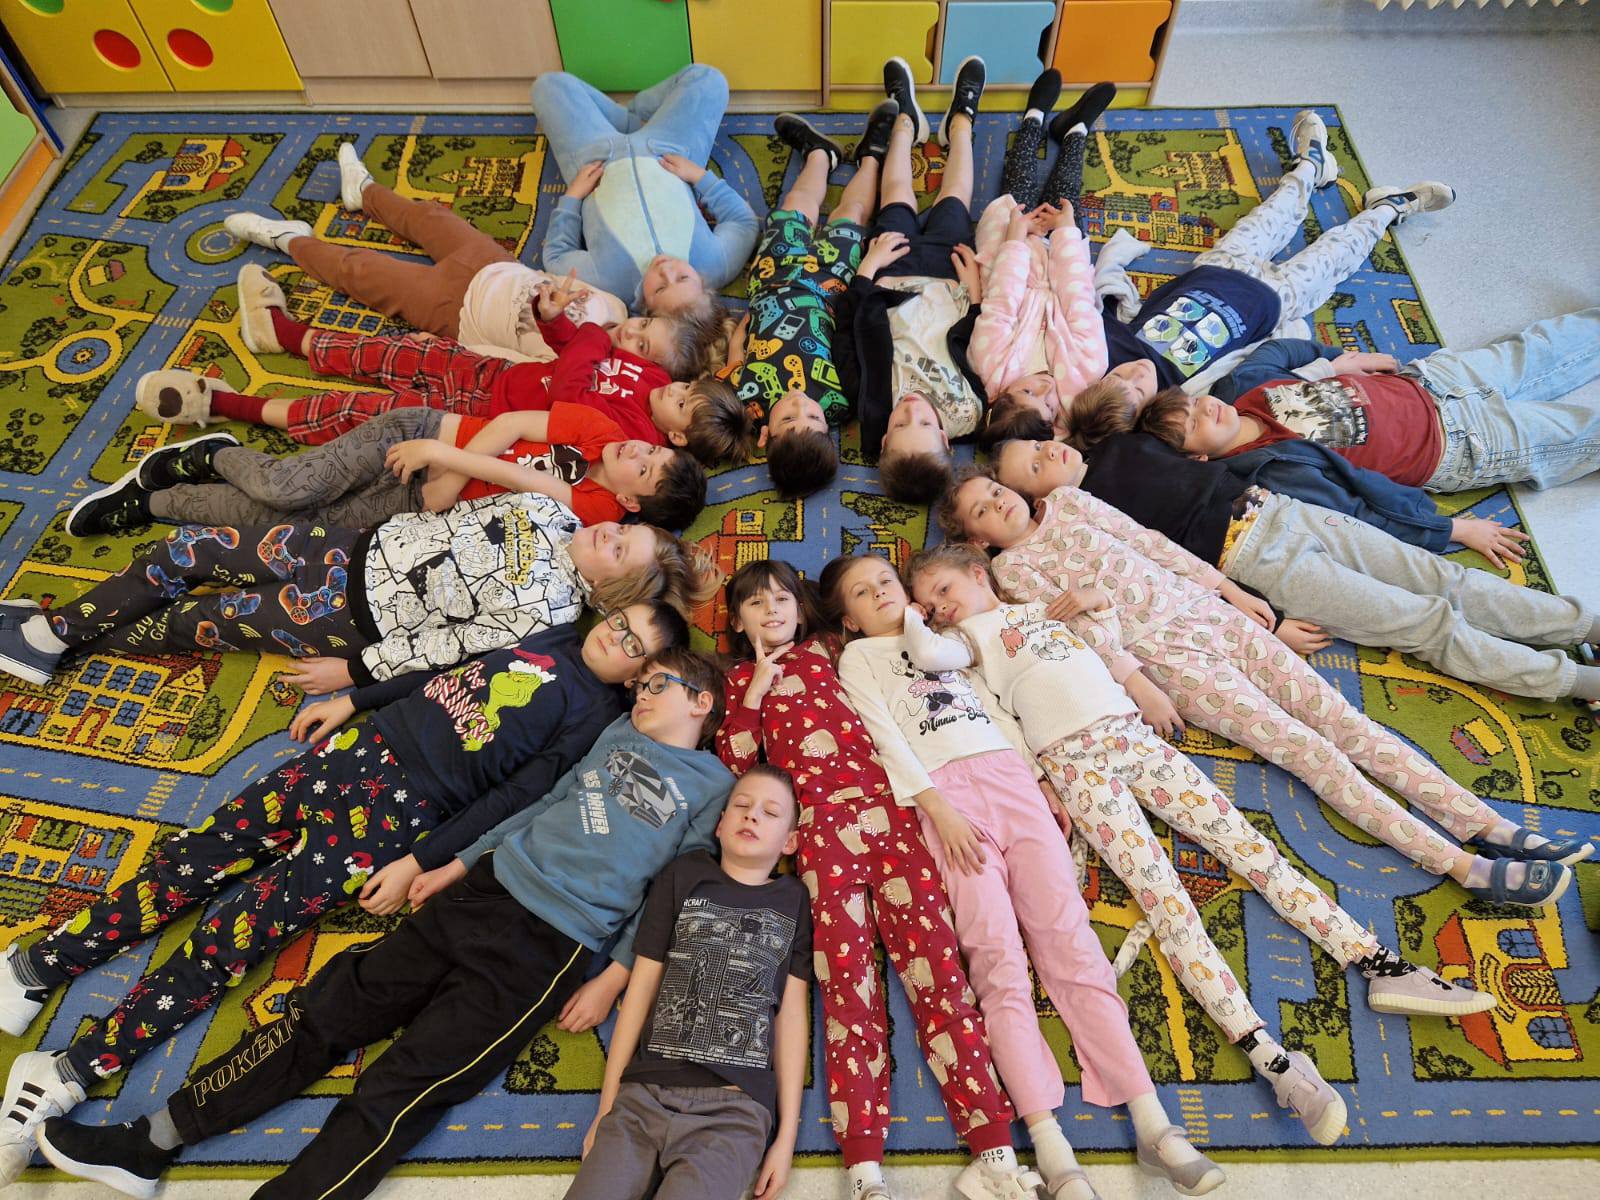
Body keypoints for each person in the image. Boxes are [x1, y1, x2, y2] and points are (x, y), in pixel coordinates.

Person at [0, 603, 688, 1186]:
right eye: (619, 621)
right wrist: (356, 699)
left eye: (634, 645)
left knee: (232, 938)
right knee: (191, 861)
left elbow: (515, 798)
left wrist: (421, 860)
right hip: (354, 749)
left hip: (398, 814)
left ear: (640, 678)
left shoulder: (595, 720)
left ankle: (77, 1067)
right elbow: (445, 673)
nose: (615, 636)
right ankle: (38, 965)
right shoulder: (559, 632)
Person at [904, 544, 1499, 1045]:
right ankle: (1260, 1044)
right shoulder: (965, 649)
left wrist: (1097, 599)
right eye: (930, 605)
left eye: (942, 590)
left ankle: (1378, 962)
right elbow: (995, 718)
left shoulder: (1045, 609)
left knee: (1250, 848)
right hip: (1076, 768)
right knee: (1162, 894)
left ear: (978, 573)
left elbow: (1106, 646)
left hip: (1133, 738)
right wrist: (1038, 778)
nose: (939, 607)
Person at [941, 465, 1591, 884]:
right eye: (981, 511)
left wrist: (1228, 590)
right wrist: (1133, 673)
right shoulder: (1012, 572)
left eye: (994, 490)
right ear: (978, 540)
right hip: (1172, 663)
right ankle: (1460, 863)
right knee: (1307, 750)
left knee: (1342, 720)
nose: (998, 503)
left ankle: (1488, 825)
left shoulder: (1070, 500)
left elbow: (1151, 544)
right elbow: (1080, 633)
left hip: (1210, 613)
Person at [825, 554, 1221, 1196]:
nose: (879, 594)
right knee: (995, 958)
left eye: (885, 583)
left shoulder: (954, 641)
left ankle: (1153, 1121)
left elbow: (996, 709)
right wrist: (938, 811)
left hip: (1010, 781)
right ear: (848, 619)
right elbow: (885, 738)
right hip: (947, 803)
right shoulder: (860, 658)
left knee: (1071, 941)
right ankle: (1049, 1141)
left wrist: (1039, 780)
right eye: (862, 594)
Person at [715, 561, 1027, 1200]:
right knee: (846, 987)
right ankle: (864, 1167)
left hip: (894, 818)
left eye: (781, 598)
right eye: (755, 603)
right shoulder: (740, 681)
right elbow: (736, 762)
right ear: (738, 622)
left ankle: (993, 1146)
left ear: (801, 608)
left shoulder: (835, 650)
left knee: (939, 969)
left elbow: (899, 645)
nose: (772, 610)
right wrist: (754, 695)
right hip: (821, 836)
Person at [990, 432, 1600, 729]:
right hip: (1261, 566)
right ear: (1033, 501)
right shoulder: (1082, 520)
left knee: (1442, 578)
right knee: (1424, 621)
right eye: (1036, 468)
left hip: (1283, 510)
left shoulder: (1118, 440)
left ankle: (1582, 624)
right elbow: (1165, 581)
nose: (1050, 453)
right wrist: (1271, 622)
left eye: (1042, 443)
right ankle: (1574, 680)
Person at [980, 108, 1456, 448]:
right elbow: (1255, 381)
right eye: (1137, 389)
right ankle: (1388, 209)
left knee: (1275, 212)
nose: (1136, 373)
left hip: (1219, 267)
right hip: (1273, 301)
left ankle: (1311, 164)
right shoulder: (1184, 396)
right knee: (1336, 254)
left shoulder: (1106, 354)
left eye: (1120, 376)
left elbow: (1086, 299)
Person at [0, 493, 715, 695]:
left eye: (619, 550)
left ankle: (52, 639)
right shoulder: (550, 508)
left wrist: (356, 671)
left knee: (197, 620)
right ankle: (53, 634)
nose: (611, 533)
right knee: (192, 549)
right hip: (339, 546)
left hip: (342, 618)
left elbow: (450, 647)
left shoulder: (551, 609)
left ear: (609, 588)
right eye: (625, 529)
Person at [137, 272, 733, 455]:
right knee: (394, 352)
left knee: (362, 414)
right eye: (688, 388)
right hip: (495, 374)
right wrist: (553, 318)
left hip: (473, 422)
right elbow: (573, 348)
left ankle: (226, 404)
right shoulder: (655, 377)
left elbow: (568, 402)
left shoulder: (633, 437)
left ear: (676, 437)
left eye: (682, 405)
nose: (673, 392)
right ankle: (286, 337)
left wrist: (590, 342)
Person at [570, 766, 811, 1200]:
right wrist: (606, 1108)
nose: (752, 815)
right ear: (719, 825)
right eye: (741, 805)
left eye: (770, 812)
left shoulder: (794, 899)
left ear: (789, 842)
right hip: (643, 1097)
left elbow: (792, 1016)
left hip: (733, 1114)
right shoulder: (683, 874)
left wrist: (785, 1139)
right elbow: (640, 989)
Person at [222, 142, 630, 363]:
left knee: (363, 273)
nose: (632, 333)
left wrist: (452, 348)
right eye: (644, 327)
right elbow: (558, 281)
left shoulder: (574, 364)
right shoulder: (616, 309)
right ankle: (363, 192)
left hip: (457, 311)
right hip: (495, 265)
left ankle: (288, 239)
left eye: (640, 345)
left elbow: (501, 361)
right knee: (429, 217)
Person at [71, 395, 707, 537]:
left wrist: (442, 482)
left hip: (417, 505)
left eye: (646, 468)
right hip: (419, 436)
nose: (638, 451)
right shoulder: (604, 431)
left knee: (286, 527)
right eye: (654, 449)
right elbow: (513, 427)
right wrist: (443, 460)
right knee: (288, 489)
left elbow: (528, 482)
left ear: (631, 502)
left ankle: (152, 502)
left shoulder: (597, 511)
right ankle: (208, 454)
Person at [1122, 308, 1600, 496]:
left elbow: (1281, 350)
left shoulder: (1241, 390)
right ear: (1198, 458)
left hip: (1432, 382)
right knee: (1578, 431)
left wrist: (1341, 360)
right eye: (1195, 425)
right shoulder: (1267, 473)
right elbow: (1360, 504)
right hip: (1457, 446)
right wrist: (1449, 532)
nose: (1205, 409)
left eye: (1194, 403)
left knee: (1538, 349)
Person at [834, 57, 990, 505]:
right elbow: (981, 348)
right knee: (954, 200)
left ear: (884, 440)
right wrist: (975, 296)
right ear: (945, 439)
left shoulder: (868, 401)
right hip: (949, 278)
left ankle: (906, 122)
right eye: (924, 424)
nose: (911, 412)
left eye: (900, 425)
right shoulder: (969, 411)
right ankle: (962, 125)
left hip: (891, 274)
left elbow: (844, 332)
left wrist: (867, 270)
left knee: (897, 196)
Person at [717, 108, 890, 497]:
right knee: (852, 215)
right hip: (832, 286)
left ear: (765, 434)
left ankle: (819, 154)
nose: (800, 405)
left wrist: (738, 340)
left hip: (773, 279)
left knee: (795, 206)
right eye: (812, 416)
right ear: (827, 426)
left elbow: (733, 366)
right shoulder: (839, 401)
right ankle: (872, 158)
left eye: (788, 419)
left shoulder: (750, 403)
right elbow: (853, 348)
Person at [531, 65, 758, 314]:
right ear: (704, 286)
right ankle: (633, 119)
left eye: (660, 288)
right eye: (683, 277)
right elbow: (743, 221)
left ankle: (626, 122)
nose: (666, 269)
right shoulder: (714, 266)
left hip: (595, 158)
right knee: (709, 79)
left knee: (549, 86)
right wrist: (699, 176)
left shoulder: (610, 284)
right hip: (669, 150)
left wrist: (573, 196)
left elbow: (556, 257)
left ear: (645, 308)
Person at [969, 72, 1116, 440]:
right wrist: (1064, 232)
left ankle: (1033, 117)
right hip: (1064, 267)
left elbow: (1001, 302)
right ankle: (1076, 131)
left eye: (1027, 392)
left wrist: (1017, 238)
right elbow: (1079, 300)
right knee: (1066, 198)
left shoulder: (989, 367)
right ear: (1055, 421)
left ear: (999, 398)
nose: (1045, 388)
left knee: (1017, 190)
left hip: (1013, 263)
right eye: (1048, 404)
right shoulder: (1087, 374)